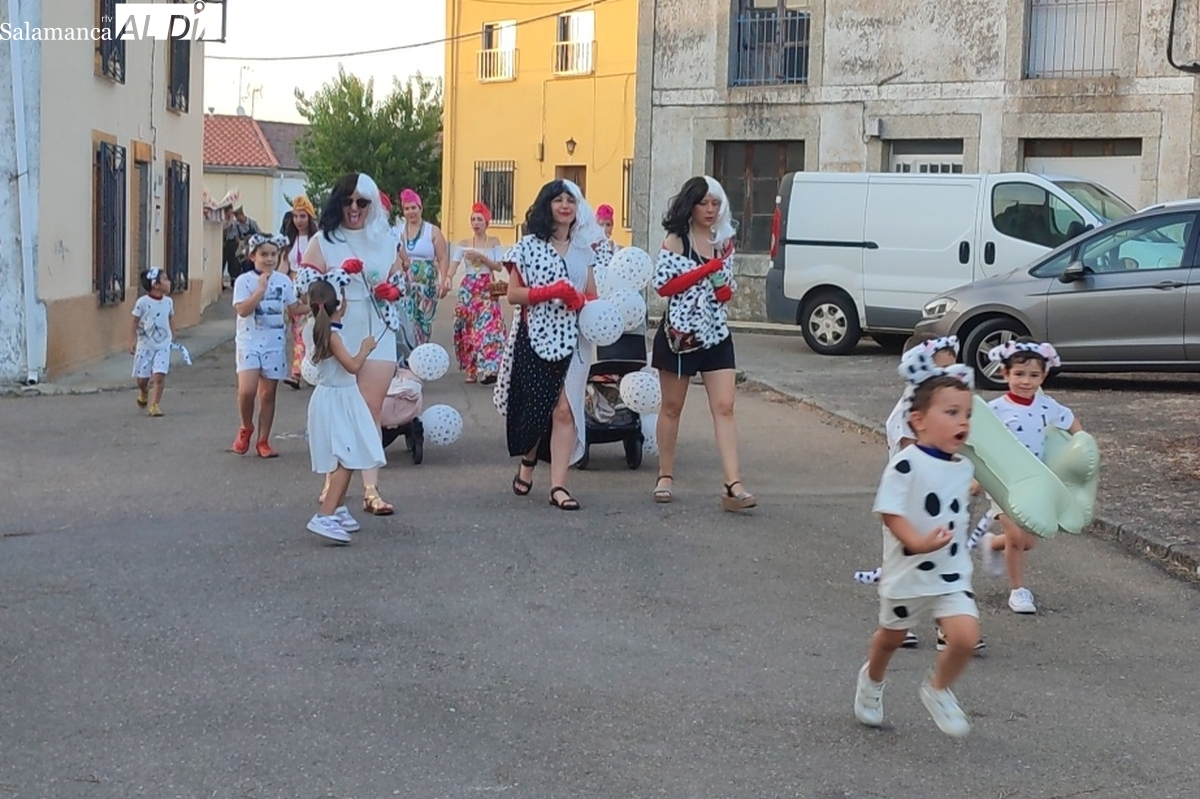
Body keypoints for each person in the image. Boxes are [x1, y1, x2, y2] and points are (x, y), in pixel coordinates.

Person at [854, 360, 978, 738]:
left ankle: (938, 688)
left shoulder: (965, 467)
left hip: (951, 574)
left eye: (967, 414)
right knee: (890, 638)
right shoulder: (906, 463)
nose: (962, 422)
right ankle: (872, 680)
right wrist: (918, 542)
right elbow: (890, 512)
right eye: (951, 412)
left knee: (965, 637)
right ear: (919, 421)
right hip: (908, 573)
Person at [301, 173, 406, 516]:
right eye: (347, 201)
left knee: (370, 409)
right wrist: (338, 276)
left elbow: (401, 279)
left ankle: (371, 488)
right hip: (340, 328)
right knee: (340, 409)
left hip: (378, 329)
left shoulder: (386, 239)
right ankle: (333, 481)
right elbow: (306, 286)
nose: (354, 208)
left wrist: (394, 290)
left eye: (362, 202)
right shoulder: (324, 240)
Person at [493, 179, 599, 511]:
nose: (565, 206)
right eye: (558, 200)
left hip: (575, 341)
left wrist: (581, 301)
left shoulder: (584, 251)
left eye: (571, 200)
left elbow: (592, 294)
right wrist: (551, 292)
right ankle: (528, 459)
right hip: (536, 336)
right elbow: (513, 295)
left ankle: (559, 487)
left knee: (564, 410)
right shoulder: (528, 246)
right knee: (537, 410)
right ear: (547, 205)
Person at [650, 175, 755, 512]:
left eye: (715, 203)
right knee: (672, 407)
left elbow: (725, 292)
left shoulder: (723, 243)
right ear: (690, 205)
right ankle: (665, 474)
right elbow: (664, 286)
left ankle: (733, 483)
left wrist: (721, 284)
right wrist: (703, 271)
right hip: (680, 336)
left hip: (715, 333)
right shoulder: (676, 240)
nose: (710, 210)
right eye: (703, 203)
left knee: (725, 406)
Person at [977, 339, 1082, 615]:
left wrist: (1082, 446)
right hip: (1002, 481)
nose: (1026, 381)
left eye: (1034, 375)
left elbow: (1071, 422)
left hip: (1035, 482)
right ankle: (1018, 590)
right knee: (1015, 536)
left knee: (1029, 541)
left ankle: (993, 543)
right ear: (1005, 373)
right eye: (1019, 374)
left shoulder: (1047, 406)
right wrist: (976, 476)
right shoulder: (994, 409)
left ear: (1043, 376)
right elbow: (979, 442)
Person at [303, 278, 387, 544]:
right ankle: (325, 515)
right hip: (339, 399)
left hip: (336, 396)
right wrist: (365, 349)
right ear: (340, 304)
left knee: (348, 453)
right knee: (348, 457)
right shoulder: (332, 336)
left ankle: (337, 507)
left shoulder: (316, 328)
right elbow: (352, 366)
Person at [231, 233, 302, 458]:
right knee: (247, 391)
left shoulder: (284, 281)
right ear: (253, 256)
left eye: (273, 254)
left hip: (274, 344)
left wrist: (320, 305)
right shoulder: (244, 281)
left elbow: (294, 308)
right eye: (264, 254)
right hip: (249, 342)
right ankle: (246, 426)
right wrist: (260, 290)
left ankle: (263, 440)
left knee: (268, 394)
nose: (269, 259)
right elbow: (243, 310)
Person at [450, 202, 506, 384]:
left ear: (487, 222)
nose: (476, 223)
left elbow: (498, 266)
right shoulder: (464, 243)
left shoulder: (494, 242)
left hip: (487, 287)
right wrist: (447, 278)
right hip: (469, 288)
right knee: (468, 327)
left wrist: (482, 258)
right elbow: (454, 264)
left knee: (489, 327)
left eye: (480, 219)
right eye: (473, 219)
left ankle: (490, 368)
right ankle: (471, 369)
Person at [398, 188, 450, 345]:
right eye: (407, 208)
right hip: (406, 285)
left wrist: (444, 280)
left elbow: (442, 257)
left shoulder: (432, 231)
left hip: (427, 286)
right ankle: (409, 352)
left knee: (423, 323)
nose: (410, 212)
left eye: (413, 207)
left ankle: (421, 351)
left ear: (420, 208)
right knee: (407, 320)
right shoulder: (398, 231)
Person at [282, 196, 319, 389]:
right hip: (293, 290)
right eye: (295, 216)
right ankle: (300, 371)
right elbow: (284, 267)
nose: (298, 220)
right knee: (297, 332)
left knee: (308, 331)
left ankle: (300, 372)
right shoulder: (288, 241)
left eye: (303, 216)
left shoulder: (316, 240)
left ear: (310, 217)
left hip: (311, 291)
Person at [129, 267, 174, 417]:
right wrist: (132, 340)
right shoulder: (142, 302)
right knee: (142, 379)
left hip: (163, 344)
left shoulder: (168, 302)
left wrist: (173, 335)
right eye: (165, 279)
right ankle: (143, 391)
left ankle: (154, 405)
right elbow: (134, 321)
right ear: (155, 284)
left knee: (159, 376)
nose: (169, 282)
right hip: (145, 345)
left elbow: (170, 318)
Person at [223, 206, 261, 284]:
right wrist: (241, 243)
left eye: (238, 217)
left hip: (253, 246)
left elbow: (259, 234)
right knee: (238, 262)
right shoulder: (236, 225)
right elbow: (235, 236)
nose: (237, 219)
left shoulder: (252, 223)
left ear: (242, 215)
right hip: (243, 247)